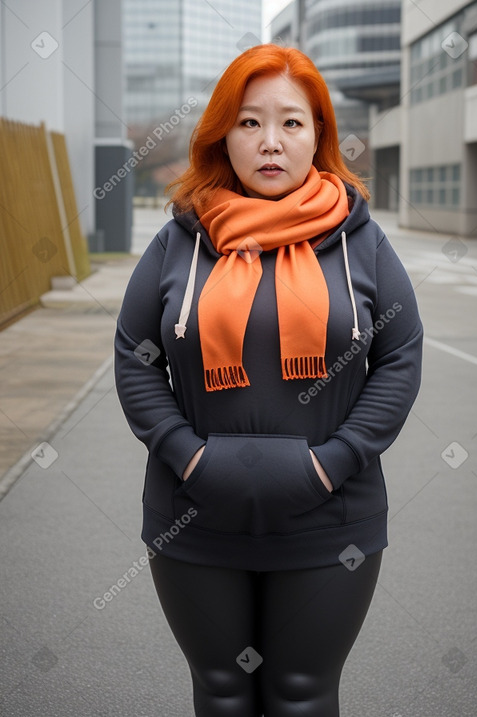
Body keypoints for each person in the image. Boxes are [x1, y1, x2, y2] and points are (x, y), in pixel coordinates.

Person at [114, 44, 423, 717]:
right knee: (222, 691)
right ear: (223, 133)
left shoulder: (359, 237)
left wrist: (328, 465)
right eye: (250, 122)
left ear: (319, 133)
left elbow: (399, 357)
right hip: (193, 511)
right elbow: (134, 356)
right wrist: (188, 455)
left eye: (291, 122)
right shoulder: (180, 239)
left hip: (331, 513)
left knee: (301, 694)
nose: (271, 142)